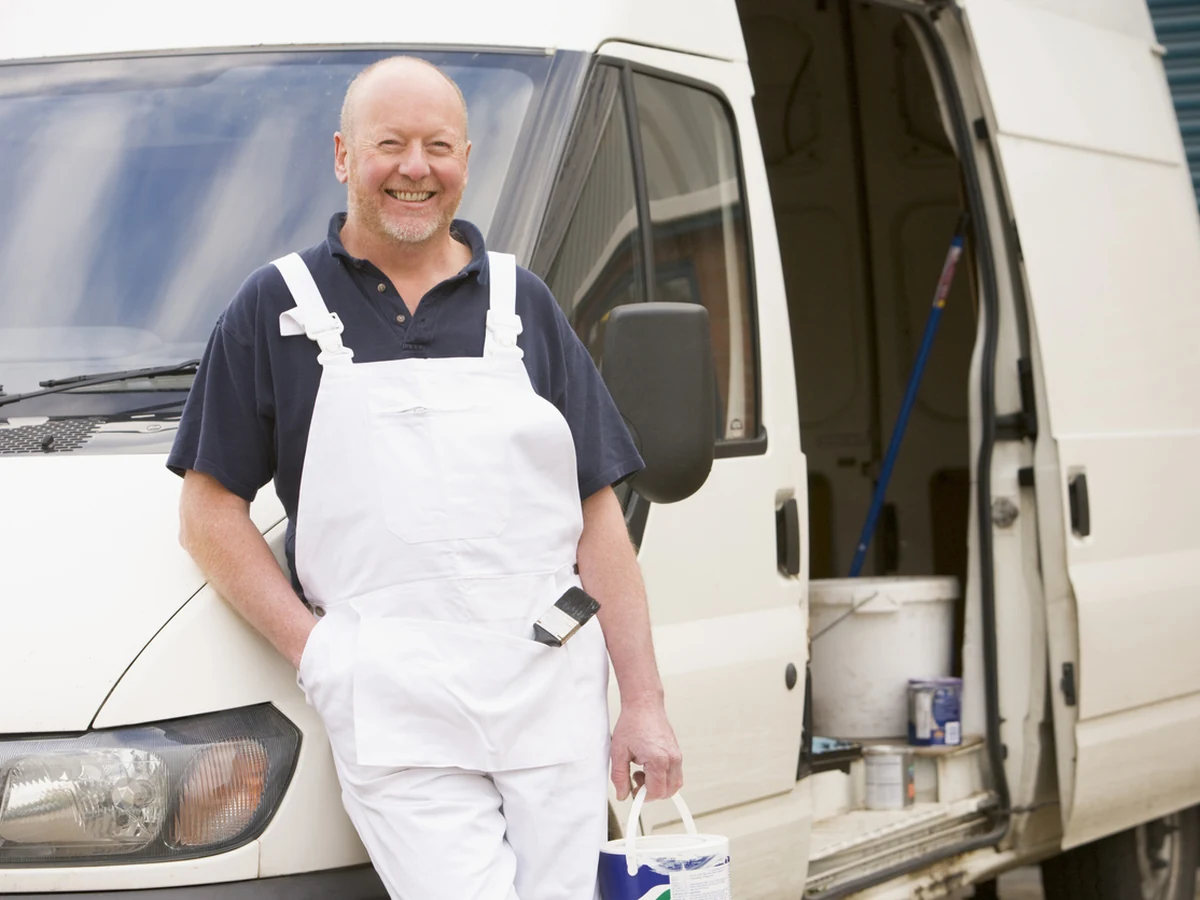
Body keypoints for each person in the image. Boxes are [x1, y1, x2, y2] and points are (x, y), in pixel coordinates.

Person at [168, 55, 683, 899]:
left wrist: (644, 702)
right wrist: (318, 651)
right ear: (343, 156)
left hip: (548, 694)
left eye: (438, 145)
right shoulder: (275, 306)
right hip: (393, 705)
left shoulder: (524, 305)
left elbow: (598, 519)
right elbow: (207, 513)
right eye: (390, 144)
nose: (416, 167)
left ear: (466, 162)